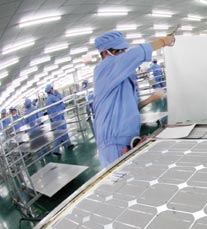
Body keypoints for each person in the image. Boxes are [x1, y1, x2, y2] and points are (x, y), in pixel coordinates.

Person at [92, 31, 175, 168]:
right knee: (120, 184)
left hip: (127, 139)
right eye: (120, 51)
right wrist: (163, 41)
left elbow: (129, 108)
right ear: (106, 53)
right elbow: (136, 53)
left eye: (125, 50)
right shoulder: (104, 69)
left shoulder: (120, 78)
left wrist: (151, 99)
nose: (124, 54)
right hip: (113, 145)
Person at [45, 84, 73, 156]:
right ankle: (56, 150)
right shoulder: (52, 98)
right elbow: (60, 101)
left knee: (64, 131)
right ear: (50, 90)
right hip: (58, 117)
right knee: (60, 133)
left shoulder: (48, 99)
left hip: (56, 117)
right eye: (52, 89)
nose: (53, 90)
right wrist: (58, 94)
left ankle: (68, 144)